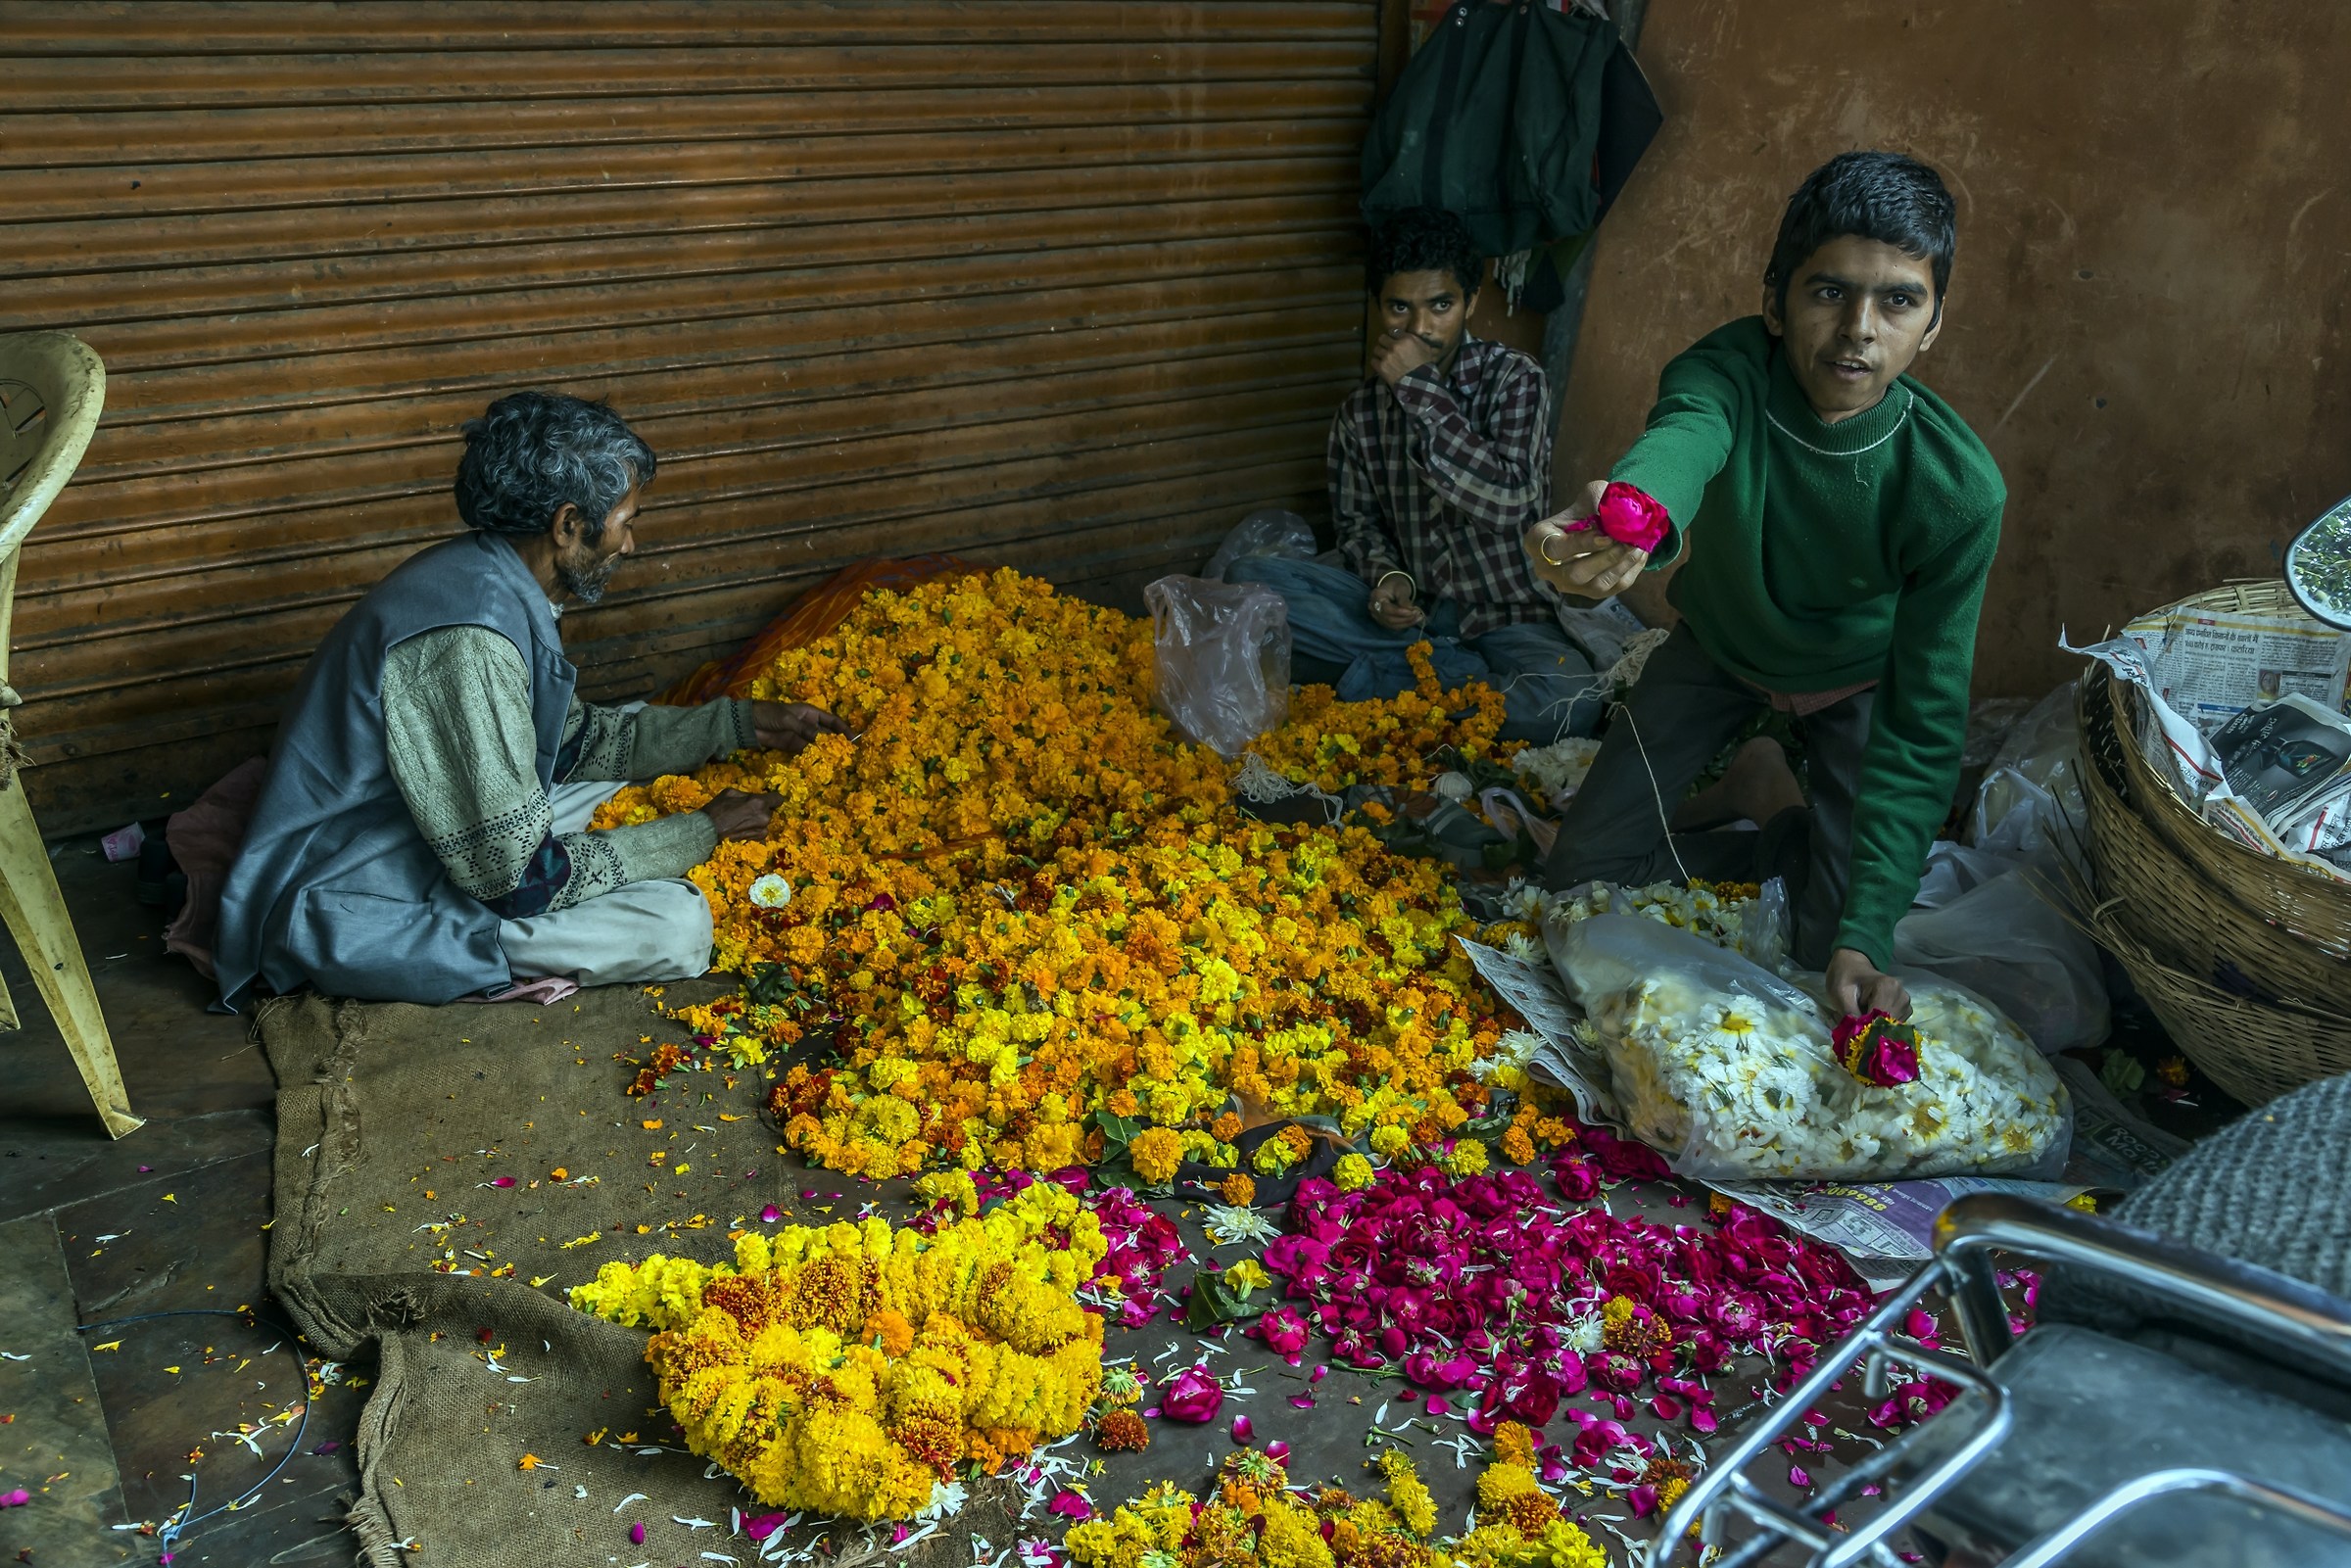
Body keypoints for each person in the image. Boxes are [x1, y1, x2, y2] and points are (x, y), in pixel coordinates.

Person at [1525, 151, 2003, 1020]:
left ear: (1933, 323)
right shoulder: (1729, 373)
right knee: (1579, 875)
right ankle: (1753, 781)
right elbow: (1684, 441)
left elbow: (1924, 718)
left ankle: (1772, 807)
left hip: (1856, 676)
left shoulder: (1958, 489)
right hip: (1720, 648)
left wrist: (1864, 933)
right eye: (1829, 292)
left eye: (1899, 299)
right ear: (1775, 301)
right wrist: (1630, 521)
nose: (1860, 327)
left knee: (1835, 943)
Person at [214, 392, 845, 1007]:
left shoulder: (495, 575)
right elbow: (516, 881)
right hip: (351, 891)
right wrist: (699, 832)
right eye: (626, 523)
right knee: (676, 926)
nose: (630, 546)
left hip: (440, 832)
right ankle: (459, 952)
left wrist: (738, 725)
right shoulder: (469, 646)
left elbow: (575, 743)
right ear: (569, 525)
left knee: (630, 736)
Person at [1230, 207, 1603, 743]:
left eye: (1441, 305)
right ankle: (1443, 686)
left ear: (1471, 302)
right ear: (1379, 306)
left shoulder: (1515, 380)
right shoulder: (1358, 414)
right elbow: (1358, 525)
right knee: (1249, 578)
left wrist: (1421, 391)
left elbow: (1511, 505)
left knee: (1570, 700)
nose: (1420, 327)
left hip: (1509, 617)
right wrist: (1387, 580)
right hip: (1409, 625)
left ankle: (1403, 687)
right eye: (1399, 307)